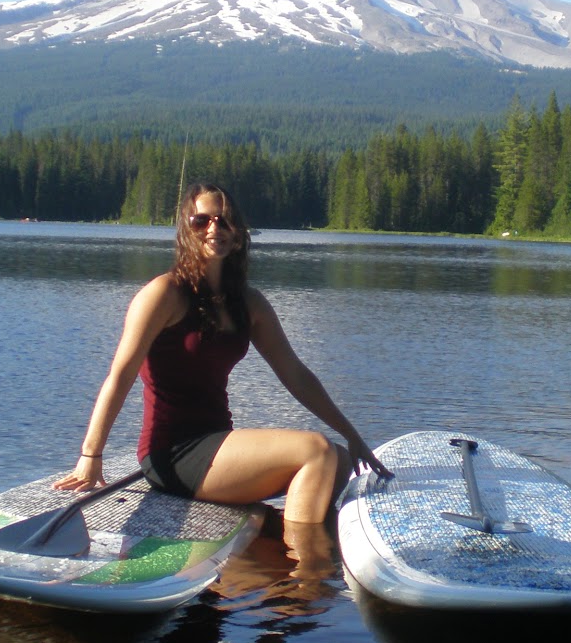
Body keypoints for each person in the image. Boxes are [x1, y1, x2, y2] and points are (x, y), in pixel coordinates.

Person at [54, 181, 390, 524]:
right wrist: (91, 454)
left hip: (219, 440)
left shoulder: (249, 303)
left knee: (340, 462)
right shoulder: (163, 294)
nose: (214, 228)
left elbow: (297, 375)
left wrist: (352, 435)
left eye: (225, 220)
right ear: (187, 229)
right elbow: (120, 376)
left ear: (239, 233)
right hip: (173, 453)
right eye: (202, 221)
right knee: (316, 452)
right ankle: (304, 570)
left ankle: (278, 541)